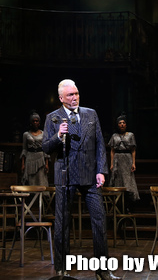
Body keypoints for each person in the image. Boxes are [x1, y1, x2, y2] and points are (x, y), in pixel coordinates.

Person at [42, 79, 120, 280]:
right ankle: (62, 269)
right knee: (62, 223)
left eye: (76, 93)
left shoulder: (90, 114)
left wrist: (101, 170)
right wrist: (59, 136)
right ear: (61, 98)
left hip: (89, 175)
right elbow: (46, 147)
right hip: (65, 174)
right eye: (70, 95)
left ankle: (103, 270)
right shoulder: (53, 118)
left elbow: (100, 144)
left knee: (99, 220)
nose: (75, 97)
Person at [108, 115, 139, 212]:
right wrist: (112, 163)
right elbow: (112, 150)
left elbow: (133, 150)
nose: (122, 125)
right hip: (117, 158)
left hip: (127, 158)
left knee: (128, 182)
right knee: (118, 181)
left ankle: (129, 206)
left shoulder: (130, 135)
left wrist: (133, 163)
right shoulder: (114, 136)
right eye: (120, 123)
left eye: (123, 123)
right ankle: (119, 206)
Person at [20, 112, 49, 187]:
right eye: (33, 121)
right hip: (30, 158)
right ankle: (31, 197)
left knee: (41, 179)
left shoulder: (44, 134)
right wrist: (23, 164)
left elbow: (46, 149)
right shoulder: (26, 134)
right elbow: (24, 149)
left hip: (40, 158)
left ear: (39, 122)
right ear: (31, 122)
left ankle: (41, 197)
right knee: (30, 179)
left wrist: (47, 164)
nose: (35, 122)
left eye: (37, 121)